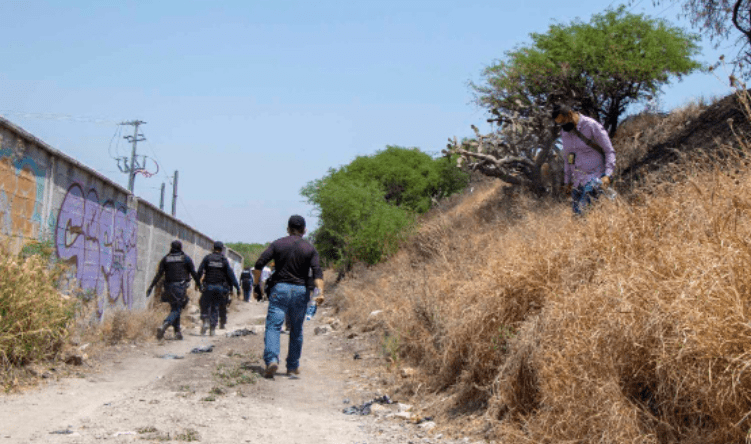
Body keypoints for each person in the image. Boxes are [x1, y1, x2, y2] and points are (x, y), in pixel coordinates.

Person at [254, 215, 324, 378]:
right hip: (301, 291)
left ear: (288, 229)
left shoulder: (278, 244)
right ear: (304, 230)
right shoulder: (310, 249)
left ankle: (272, 360)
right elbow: (317, 272)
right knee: (296, 329)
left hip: (280, 289)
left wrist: (256, 284)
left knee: (273, 326)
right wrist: (320, 292)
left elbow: (259, 263)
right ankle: (292, 367)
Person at [552, 104, 616, 214]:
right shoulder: (564, 133)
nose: (562, 126)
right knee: (577, 217)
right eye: (559, 124)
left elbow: (609, 150)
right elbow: (569, 158)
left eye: (563, 121)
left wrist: (607, 175)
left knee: (583, 212)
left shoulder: (591, 125)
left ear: (570, 114)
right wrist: (567, 182)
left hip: (595, 177)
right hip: (578, 181)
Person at [146, 240, 200, 340]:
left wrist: (151, 287)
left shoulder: (166, 258)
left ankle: (177, 332)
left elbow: (159, 274)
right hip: (179, 287)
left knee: (175, 308)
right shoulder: (185, 258)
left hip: (167, 287)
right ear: (180, 248)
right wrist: (199, 285)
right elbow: (193, 273)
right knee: (177, 309)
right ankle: (165, 324)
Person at [196, 241, 240, 336]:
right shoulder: (223, 260)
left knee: (204, 304)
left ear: (213, 248)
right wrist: (237, 287)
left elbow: (200, 271)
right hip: (219, 287)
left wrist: (197, 283)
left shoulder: (207, 258)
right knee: (215, 307)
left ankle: (205, 321)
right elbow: (231, 275)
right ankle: (212, 329)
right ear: (222, 249)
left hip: (208, 286)